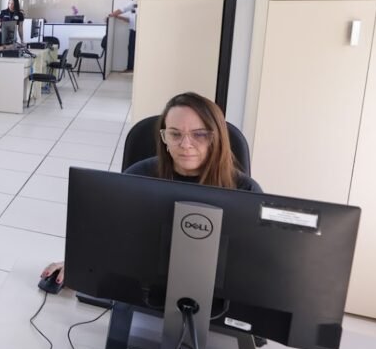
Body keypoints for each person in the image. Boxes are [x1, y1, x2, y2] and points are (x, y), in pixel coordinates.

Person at [42, 92, 262, 286]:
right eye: (175, 134)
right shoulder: (138, 176)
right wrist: (80, 262)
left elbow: (255, 264)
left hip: (217, 299)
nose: (185, 144)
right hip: (142, 288)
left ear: (216, 138)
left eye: (199, 134)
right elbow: (110, 232)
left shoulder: (246, 191)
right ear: (164, 138)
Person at [108, 0, 138, 72]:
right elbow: (130, 20)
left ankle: (132, 69)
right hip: (133, 30)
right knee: (131, 49)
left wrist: (112, 14)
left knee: (133, 49)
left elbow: (123, 9)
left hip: (138, 31)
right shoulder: (135, 8)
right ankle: (130, 68)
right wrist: (117, 16)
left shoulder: (135, 2)